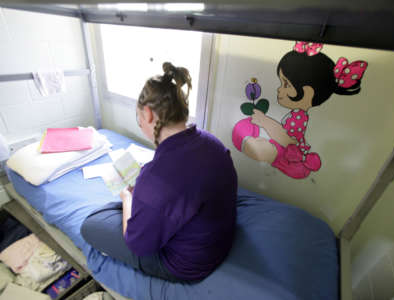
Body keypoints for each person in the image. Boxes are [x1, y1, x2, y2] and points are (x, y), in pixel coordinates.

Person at [81, 62, 238, 283]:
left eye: (139, 119)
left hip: (188, 264)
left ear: (148, 114)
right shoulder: (212, 143)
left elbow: (137, 245)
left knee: (91, 224)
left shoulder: (156, 178)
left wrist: (128, 199)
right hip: (217, 240)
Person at [233, 41, 368, 179]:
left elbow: (288, 140)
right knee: (247, 137)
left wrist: (265, 121)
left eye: (286, 84)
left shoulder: (299, 117)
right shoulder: (298, 115)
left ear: (307, 93)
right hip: (284, 150)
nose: (280, 89)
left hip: (289, 157)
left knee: (253, 146)